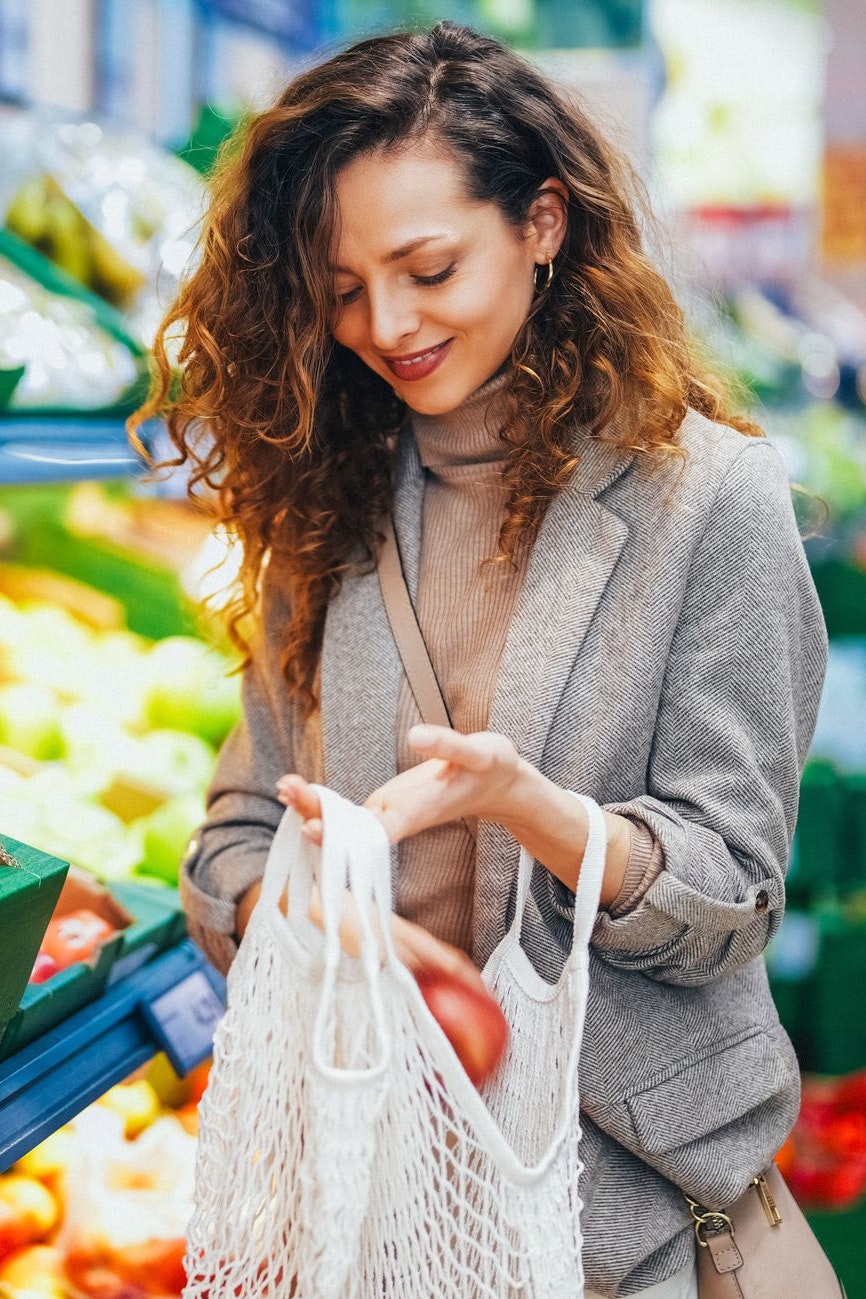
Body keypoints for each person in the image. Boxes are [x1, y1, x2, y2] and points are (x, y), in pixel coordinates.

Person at [132, 21, 827, 1299]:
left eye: (426, 268)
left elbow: (728, 900)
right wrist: (304, 901)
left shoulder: (706, 500)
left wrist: (532, 810)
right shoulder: (325, 499)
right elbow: (229, 840)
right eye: (341, 288)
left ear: (543, 224)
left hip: (630, 1223)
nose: (382, 324)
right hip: (376, 1212)